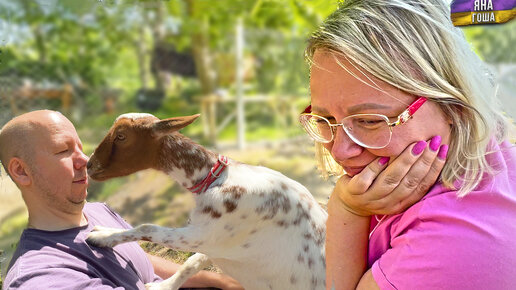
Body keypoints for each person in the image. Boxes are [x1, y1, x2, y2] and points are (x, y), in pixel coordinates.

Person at [299, 0, 516, 289]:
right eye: (324, 119)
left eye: (371, 121)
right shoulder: (488, 158)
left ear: (454, 108)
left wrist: (347, 210)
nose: (340, 151)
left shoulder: (453, 239)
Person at [0, 110, 243, 289]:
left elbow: (138, 260)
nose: (85, 160)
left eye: (80, 148)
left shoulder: (97, 212)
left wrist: (221, 282)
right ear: (21, 171)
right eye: (63, 151)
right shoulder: (42, 275)